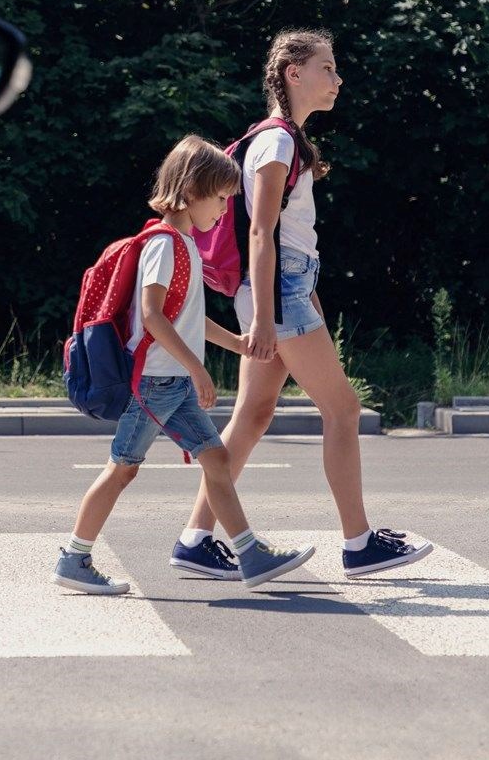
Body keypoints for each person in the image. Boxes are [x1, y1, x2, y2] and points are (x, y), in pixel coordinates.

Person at [173, 30, 432, 581]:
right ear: (294, 73)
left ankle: (195, 538)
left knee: (253, 415)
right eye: (327, 68)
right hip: (277, 292)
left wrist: (296, 290)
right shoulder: (278, 143)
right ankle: (359, 543)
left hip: (285, 288)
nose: (337, 80)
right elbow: (261, 233)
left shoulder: (283, 141)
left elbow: (282, 234)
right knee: (342, 411)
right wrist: (268, 315)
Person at [52, 136, 315, 595]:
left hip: (169, 383)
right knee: (122, 469)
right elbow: (153, 315)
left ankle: (250, 554)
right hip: (154, 384)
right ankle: (75, 558)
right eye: (219, 199)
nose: (222, 212)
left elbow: (188, 318)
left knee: (216, 459)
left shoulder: (185, 245)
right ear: (191, 191)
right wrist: (198, 369)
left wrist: (236, 343)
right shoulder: (163, 244)